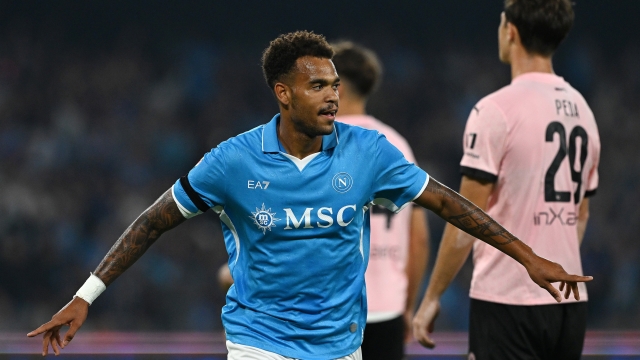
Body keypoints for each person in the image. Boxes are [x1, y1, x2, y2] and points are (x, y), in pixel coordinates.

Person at [28, 30, 591, 359]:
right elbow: (151, 222)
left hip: (341, 348)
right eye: (317, 85)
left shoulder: (368, 152)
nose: (331, 96)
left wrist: (528, 257)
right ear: (283, 93)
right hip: (259, 343)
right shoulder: (232, 161)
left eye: (335, 86)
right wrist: (85, 296)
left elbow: (447, 203)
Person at [412, 1, 601, 359]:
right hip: (569, 301)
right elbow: (583, 214)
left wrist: (433, 296)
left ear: (510, 31)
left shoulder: (495, 110)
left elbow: (464, 219)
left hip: (507, 300)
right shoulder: (584, 111)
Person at [331, 40, 429, 360]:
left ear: (339, 87)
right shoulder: (398, 146)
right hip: (388, 307)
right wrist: (408, 305)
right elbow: (419, 239)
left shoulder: (319, 148)